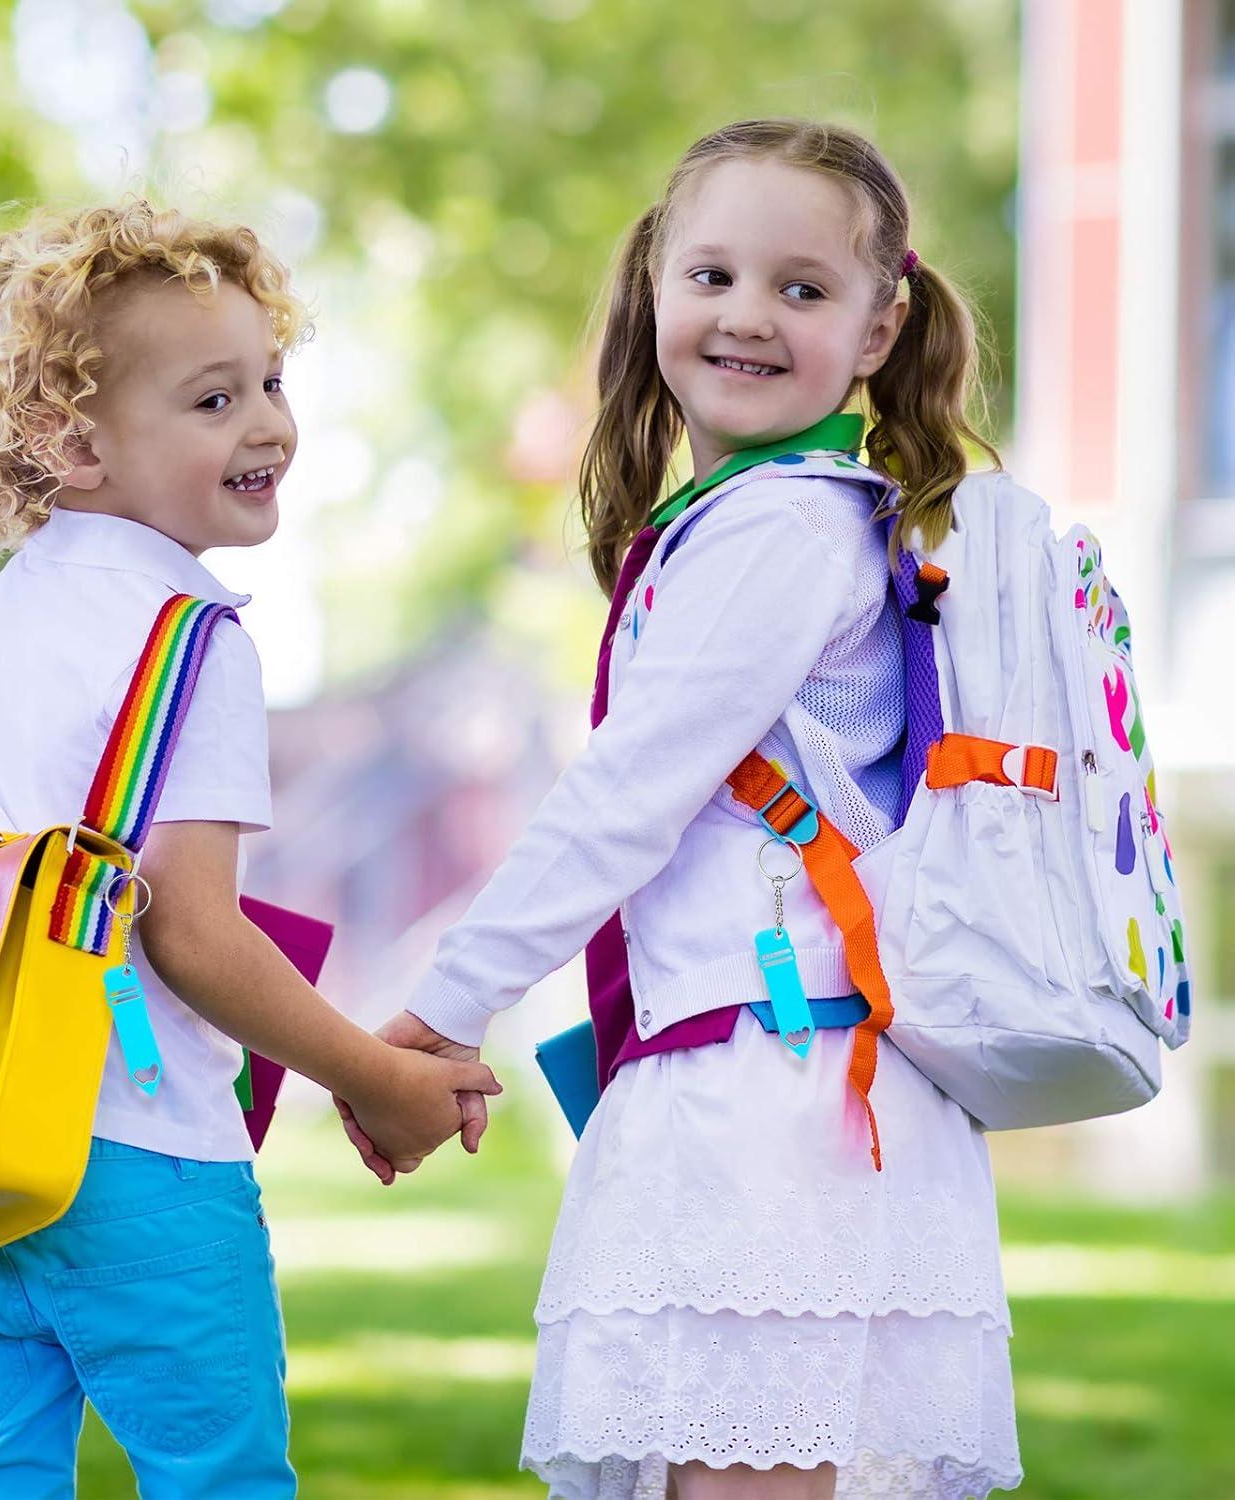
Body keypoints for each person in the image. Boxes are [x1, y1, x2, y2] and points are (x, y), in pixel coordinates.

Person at [355, 121, 1023, 1498]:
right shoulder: (772, 516)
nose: (746, 317)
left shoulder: (784, 527)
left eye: (802, 288)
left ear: (881, 325)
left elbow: (625, 798)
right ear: (657, 283)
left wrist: (440, 1005)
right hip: (771, 1088)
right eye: (712, 275)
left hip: (774, 1110)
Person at [0, 199, 498, 1498]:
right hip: (136, 1156)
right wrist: (368, 1077)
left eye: (271, 381)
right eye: (213, 400)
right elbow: (194, 930)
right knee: (217, 1479)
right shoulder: (192, 639)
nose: (270, 422)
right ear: (75, 441)